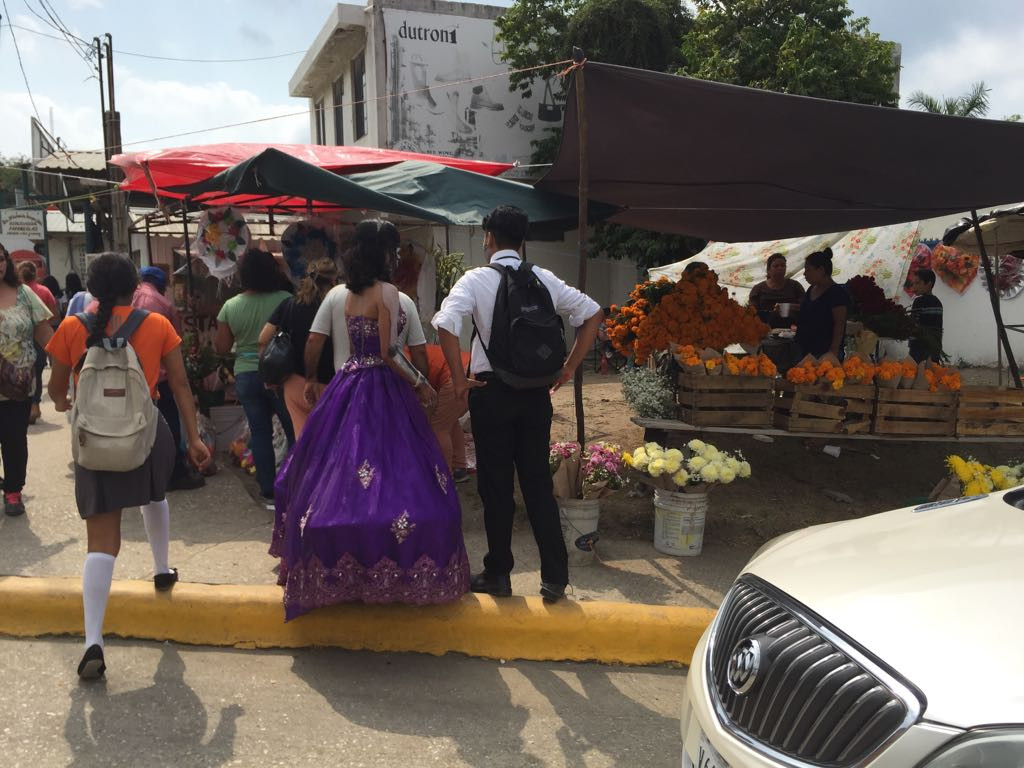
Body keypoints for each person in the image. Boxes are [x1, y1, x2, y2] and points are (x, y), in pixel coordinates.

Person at [271, 219, 469, 620]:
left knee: (335, 474)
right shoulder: (398, 297)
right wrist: (421, 386)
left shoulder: (338, 296)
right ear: (387, 254)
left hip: (345, 390)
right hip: (388, 393)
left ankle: (339, 565)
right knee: (401, 476)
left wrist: (311, 377)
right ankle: (394, 565)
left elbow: (313, 341)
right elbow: (405, 353)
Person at [46, 253, 211, 680]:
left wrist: (67, 402)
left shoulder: (71, 327)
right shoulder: (156, 325)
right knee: (154, 494)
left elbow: (57, 391)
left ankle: (93, 641)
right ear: (133, 285)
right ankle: (161, 569)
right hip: (146, 436)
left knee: (101, 543)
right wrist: (193, 438)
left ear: (93, 287)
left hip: (95, 444)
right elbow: (178, 385)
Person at [432, 205, 603, 603]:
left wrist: (459, 382)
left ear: (488, 237)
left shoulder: (475, 279)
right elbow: (592, 314)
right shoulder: (543, 278)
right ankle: (555, 579)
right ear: (522, 240)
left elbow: (445, 323)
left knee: (496, 487)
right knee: (538, 485)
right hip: (536, 395)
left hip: (491, 394)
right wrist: (567, 369)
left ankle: (499, 575)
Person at [215, 249, 295, 500]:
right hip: (282, 374)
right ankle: (295, 482)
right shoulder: (287, 299)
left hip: (247, 374)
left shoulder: (231, 306)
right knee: (293, 428)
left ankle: (267, 487)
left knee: (260, 432)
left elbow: (222, 347)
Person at [132, 266, 204, 491]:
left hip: (127, 379)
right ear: (162, 285)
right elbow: (175, 344)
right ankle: (175, 472)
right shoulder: (164, 305)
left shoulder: (124, 299)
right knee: (169, 427)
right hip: (158, 379)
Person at [257, 257, 339, 438]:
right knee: (332, 443)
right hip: (333, 384)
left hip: (295, 383)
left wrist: (270, 373)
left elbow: (263, 339)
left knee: (303, 442)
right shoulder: (338, 307)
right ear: (334, 280)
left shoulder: (289, 304)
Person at [0, 244, 53, 516]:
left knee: (14, 439)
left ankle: (13, 491)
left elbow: (44, 331)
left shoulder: (24, 294)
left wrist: (70, 360)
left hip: (18, 385)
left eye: (0, 258)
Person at [421, 343, 472, 480]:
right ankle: (459, 467)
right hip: (469, 370)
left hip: (457, 377)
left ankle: (443, 477)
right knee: (450, 421)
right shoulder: (411, 348)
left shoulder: (400, 357)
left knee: (438, 427)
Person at [17, 261, 59, 424]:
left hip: (21, 341)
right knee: (37, 373)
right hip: (40, 340)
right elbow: (54, 314)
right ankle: (34, 405)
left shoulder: (14, 293)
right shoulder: (44, 291)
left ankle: (24, 406)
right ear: (35, 273)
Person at [795, 247, 850, 359]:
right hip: (805, 349)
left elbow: (839, 324)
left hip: (824, 352)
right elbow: (809, 310)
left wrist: (833, 351)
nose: (805, 274)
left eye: (808, 270)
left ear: (821, 270)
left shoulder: (837, 293)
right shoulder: (811, 289)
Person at [748, 253, 805, 327]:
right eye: (776, 266)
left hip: (791, 330)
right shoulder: (758, 288)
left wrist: (787, 307)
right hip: (765, 329)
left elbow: (805, 307)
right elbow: (751, 312)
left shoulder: (795, 286)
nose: (780, 268)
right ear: (768, 270)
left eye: (783, 265)